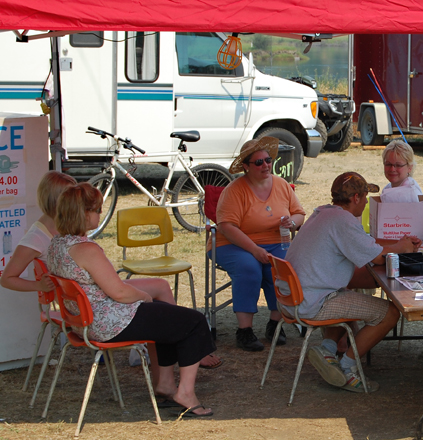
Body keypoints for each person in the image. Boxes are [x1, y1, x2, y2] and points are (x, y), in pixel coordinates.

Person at [0, 171, 221, 371]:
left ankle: (173, 352)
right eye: (72, 195)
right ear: (60, 201)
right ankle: (175, 350)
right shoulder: (43, 239)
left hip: (86, 301)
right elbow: (7, 278)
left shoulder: (61, 237)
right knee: (156, 304)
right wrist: (39, 286)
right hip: (91, 306)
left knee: (160, 288)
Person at [47, 183, 216, 417]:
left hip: (87, 321)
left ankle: (166, 385)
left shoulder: (56, 245)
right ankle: (185, 393)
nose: (99, 214)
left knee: (166, 317)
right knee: (194, 321)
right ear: (84, 213)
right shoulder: (86, 250)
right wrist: (145, 297)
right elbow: (120, 293)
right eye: (97, 210)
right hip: (109, 322)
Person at [279, 171, 421, 393]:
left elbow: (366, 242)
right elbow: (377, 257)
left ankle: (327, 350)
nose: (365, 203)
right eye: (364, 198)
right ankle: (346, 367)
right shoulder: (343, 220)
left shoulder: (324, 212)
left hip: (293, 297)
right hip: (311, 301)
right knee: (390, 313)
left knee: (346, 289)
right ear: (355, 198)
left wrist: (398, 242)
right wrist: (401, 247)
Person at [213, 136, 306, 351]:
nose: (265, 165)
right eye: (258, 162)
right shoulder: (235, 190)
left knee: (284, 266)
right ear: (245, 167)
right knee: (249, 267)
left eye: (268, 160)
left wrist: (291, 223)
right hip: (233, 244)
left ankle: (276, 324)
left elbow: (299, 214)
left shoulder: (282, 184)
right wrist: (254, 250)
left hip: (275, 242)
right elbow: (227, 226)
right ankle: (244, 331)